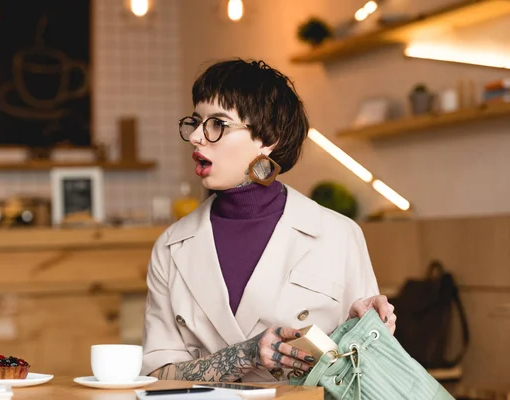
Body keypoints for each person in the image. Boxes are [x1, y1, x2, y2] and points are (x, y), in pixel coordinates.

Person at [141, 59, 396, 383]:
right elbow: (156, 375)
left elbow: (369, 371)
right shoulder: (171, 245)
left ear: (268, 138)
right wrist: (243, 355)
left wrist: (370, 330)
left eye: (217, 124)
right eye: (196, 121)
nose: (195, 137)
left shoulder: (338, 234)